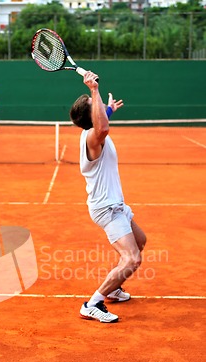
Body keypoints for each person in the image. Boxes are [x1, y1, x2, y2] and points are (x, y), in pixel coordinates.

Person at [69, 71, 147, 323]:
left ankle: (113, 288)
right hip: (106, 208)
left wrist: (109, 107)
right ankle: (92, 303)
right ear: (91, 116)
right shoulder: (93, 137)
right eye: (97, 106)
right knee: (132, 258)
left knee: (140, 241)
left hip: (116, 204)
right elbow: (102, 126)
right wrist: (93, 89)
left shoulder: (94, 130)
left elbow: (102, 120)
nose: (101, 105)